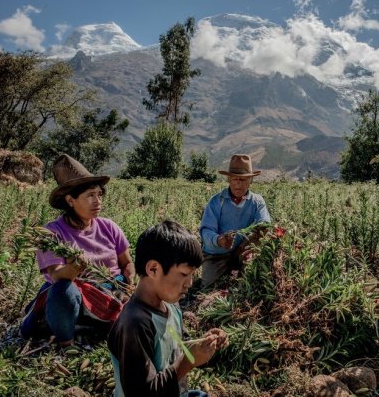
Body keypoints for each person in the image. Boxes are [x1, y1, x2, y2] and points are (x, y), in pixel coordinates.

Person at [20, 154, 134, 346]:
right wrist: (74, 269)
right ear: (70, 200)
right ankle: (67, 342)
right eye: (90, 195)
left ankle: (93, 327)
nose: (97, 201)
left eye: (99, 194)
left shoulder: (109, 227)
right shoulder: (52, 233)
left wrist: (130, 280)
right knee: (62, 292)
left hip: (111, 292)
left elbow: (127, 262)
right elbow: (57, 276)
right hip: (73, 297)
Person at [108, 220, 228, 397]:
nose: (190, 283)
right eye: (184, 274)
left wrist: (205, 346)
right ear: (153, 269)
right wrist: (188, 361)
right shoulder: (135, 323)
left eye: (192, 275)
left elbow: (179, 348)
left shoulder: (172, 306)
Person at [198, 154, 271, 288]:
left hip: (243, 251)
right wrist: (219, 240)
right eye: (235, 179)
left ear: (250, 181)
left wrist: (253, 242)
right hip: (217, 254)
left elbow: (264, 224)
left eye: (243, 180)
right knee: (209, 285)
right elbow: (206, 231)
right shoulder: (216, 201)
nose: (238, 183)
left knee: (251, 284)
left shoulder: (257, 202)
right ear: (228, 179)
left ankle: (245, 276)